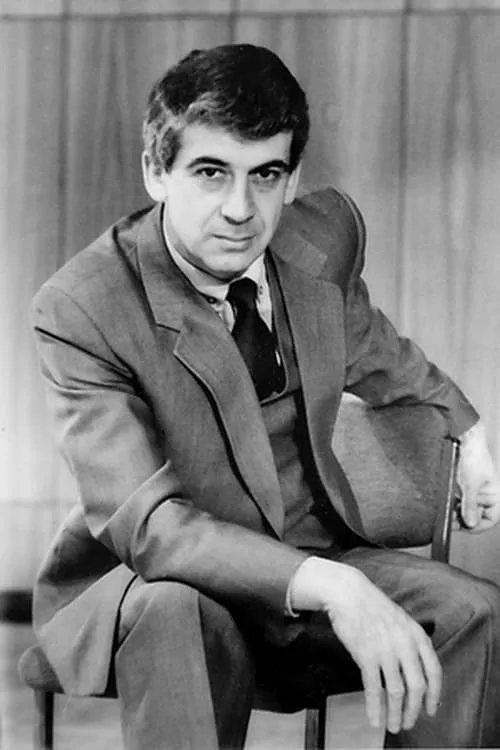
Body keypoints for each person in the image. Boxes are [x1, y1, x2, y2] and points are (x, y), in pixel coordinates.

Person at [31, 43, 500, 749]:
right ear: (156, 173)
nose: (239, 209)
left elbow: (388, 360)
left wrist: (469, 431)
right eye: (210, 173)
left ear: (292, 177)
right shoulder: (83, 307)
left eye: (266, 175)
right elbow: (153, 530)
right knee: (178, 611)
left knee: (472, 611)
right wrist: (334, 586)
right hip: (162, 584)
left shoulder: (321, 243)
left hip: (311, 558)